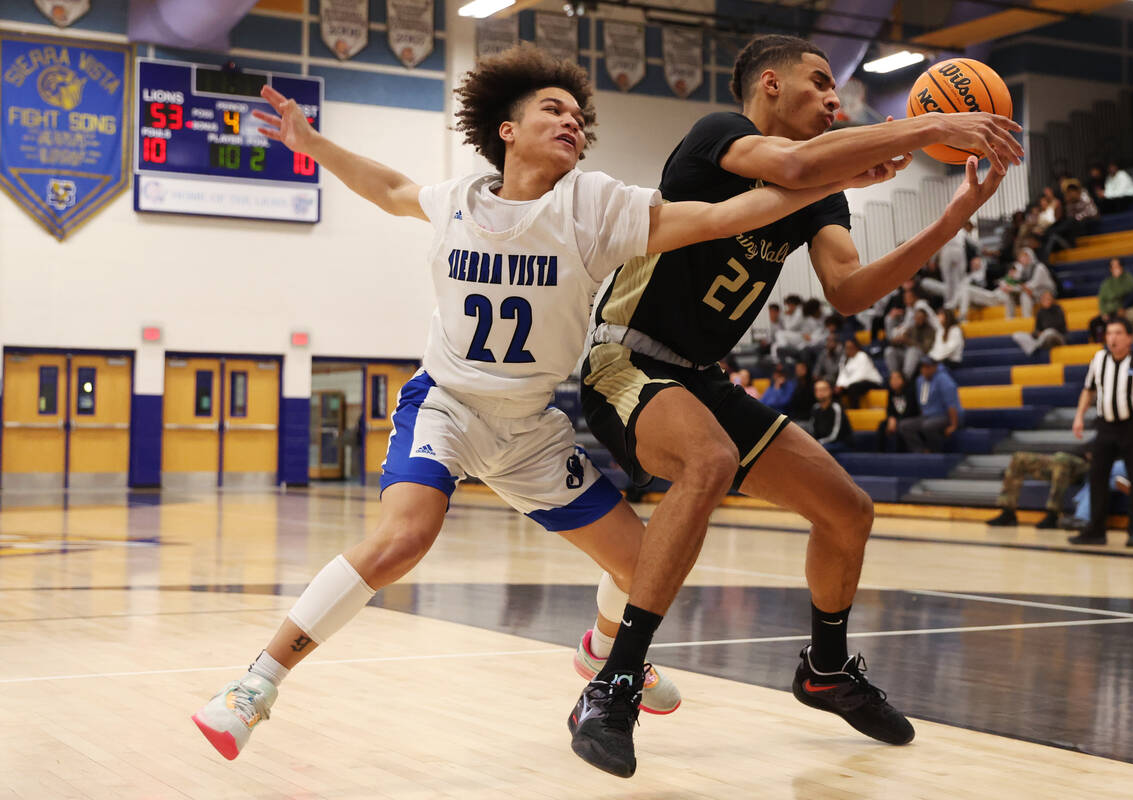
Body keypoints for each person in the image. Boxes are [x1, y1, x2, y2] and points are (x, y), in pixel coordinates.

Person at [188, 45, 868, 762]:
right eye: (553, 109)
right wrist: (311, 141)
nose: (573, 122)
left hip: (530, 431)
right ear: (506, 129)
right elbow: (388, 187)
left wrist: (838, 171)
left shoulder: (595, 205)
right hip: (446, 407)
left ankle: (603, 649)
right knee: (403, 539)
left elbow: (722, 218)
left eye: (579, 115)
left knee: (649, 571)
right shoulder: (457, 201)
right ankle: (253, 687)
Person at [573, 32, 1019, 776]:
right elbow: (789, 168)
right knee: (709, 460)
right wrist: (931, 123)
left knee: (848, 511)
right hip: (626, 356)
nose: (837, 100)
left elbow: (848, 290)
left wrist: (956, 215)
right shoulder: (722, 135)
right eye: (822, 83)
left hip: (703, 377)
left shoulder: (824, 191)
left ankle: (827, 669)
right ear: (770, 85)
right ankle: (614, 682)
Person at [1070, 318, 1133, 547]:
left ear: (1129, 338)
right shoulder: (1098, 359)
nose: (1113, 338)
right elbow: (1088, 390)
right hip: (1105, 426)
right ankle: (1096, 531)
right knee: (1097, 477)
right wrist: (1079, 416)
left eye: (1119, 333)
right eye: (1109, 333)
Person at [985, 451, 1089, 529]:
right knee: (1018, 458)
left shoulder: (1103, 432)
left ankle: (1053, 514)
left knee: (1061, 459)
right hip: (1062, 460)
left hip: (1083, 467)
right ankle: (1008, 512)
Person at [899, 357, 962, 453]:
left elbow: (952, 404)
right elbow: (922, 402)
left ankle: (937, 452)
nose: (924, 370)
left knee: (928, 426)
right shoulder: (920, 381)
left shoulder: (944, 380)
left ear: (935, 367)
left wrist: (954, 425)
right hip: (927, 416)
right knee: (905, 425)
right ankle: (921, 452)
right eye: (922, 367)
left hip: (945, 415)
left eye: (927, 367)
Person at [1088, 258, 1133, 342]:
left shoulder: (1128, 279)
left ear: (1122, 267)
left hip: (1122, 310)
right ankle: (1098, 344)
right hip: (1109, 312)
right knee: (1093, 323)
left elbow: (1125, 292)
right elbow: (1102, 299)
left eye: (1117, 266)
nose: (1115, 269)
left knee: (1119, 322)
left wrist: (1117, 279)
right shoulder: (1106, 282)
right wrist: (1103, 313)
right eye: (1113, 266)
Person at [999, 247, 1055, 319]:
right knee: (1008, 294)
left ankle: (1027, 319)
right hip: (1032, 292)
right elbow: (1013, 282)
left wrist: (1013, 288)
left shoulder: (1039, 267)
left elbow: (1032, 285)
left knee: (1025, 295)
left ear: (1031, 256)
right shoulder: (1022, 269)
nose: (1022, 259)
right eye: (1021, 257)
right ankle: (1010, 319)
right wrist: (1009, 282)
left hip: (1045, 292)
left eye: (1025, 256)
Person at [885, 305, 937, 378]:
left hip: (922, 356)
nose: (918, 319)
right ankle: (894, 376)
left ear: (925, 318)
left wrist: (908, 341)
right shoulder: (912, 328)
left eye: (920, 318)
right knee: (889, 351)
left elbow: (926, 348)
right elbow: (900, 341)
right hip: (906, 354)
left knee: (912, 351)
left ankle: (905, 378)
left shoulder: (930, 330)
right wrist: (897, 340)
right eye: (917, 317)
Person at [1012, 291, 1066, 356]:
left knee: (1049, 332)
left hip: (1057, 336)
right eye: (1044, 299)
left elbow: (1059, 326)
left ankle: (1036, 346)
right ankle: (1035, 348)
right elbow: (1036, 329)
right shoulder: (1040, 312)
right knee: (1017, 335)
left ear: (1052, 299)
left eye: (1048, 298)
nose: (1046, 300)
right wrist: (1037, 333)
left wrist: (1043, 332)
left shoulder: (1058, 309)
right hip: (1043, 337)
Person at [876, 370, 918, 452]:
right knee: (882, 425)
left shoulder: (910, 391)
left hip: (910, 418)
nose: (893, 381)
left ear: (903, 380)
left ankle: (901, 454)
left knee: (901, 426)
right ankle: (879, 453)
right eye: (891, 379)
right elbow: (889, 409)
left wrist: (896, 420)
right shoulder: (891, 392)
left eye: (896, 379)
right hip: (896, 419)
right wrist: (891, 418)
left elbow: (911, 411)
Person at [835, 336, 883, 408]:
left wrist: (844, 385)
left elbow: (861, 375)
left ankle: (855, 410)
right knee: (836, 391)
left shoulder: (862, 356)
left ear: (856, 347)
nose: (848, 350)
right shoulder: (845, 359)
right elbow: (842, 375)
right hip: (854, 384)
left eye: (851, 347)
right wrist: (839, 385)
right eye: (847, 348)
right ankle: (842, 412)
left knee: (853, 387)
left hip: (872, 382)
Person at [810, 378, 853, 450]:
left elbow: (835, 435)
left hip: (840, 442)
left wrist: (819, 442)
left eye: (823, 389)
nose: (820, 392)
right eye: (817, 390)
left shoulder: (836, 408)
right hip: (822, 442)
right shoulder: (815, 408)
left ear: (830, 390)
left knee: (823, 449)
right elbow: (813, 429)